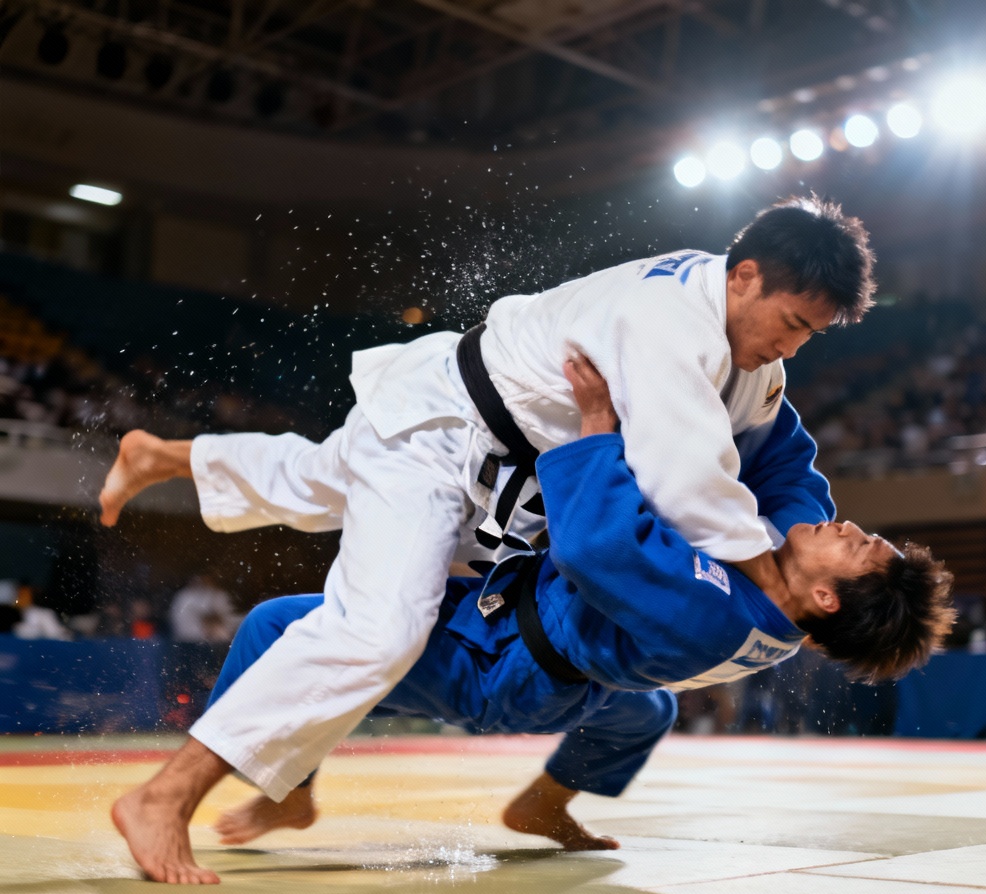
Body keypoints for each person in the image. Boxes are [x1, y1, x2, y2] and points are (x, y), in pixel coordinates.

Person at [100, 195, 875, 812]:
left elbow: (775, 459)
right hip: (444, 426)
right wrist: (768, 569)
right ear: (744, 276)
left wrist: (776, 550)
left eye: (813, 334)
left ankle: (166, 454)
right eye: (794, 322)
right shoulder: (670, 322)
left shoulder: (746, 353)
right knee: (381, 629)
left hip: (500, 460)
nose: (795, 346)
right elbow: (686, 485)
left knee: (319, 483)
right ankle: (165, 799)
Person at [111, 357, 954, 884]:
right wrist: (756, 371)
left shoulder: (717, 611)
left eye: (862, 547)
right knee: (645, 706)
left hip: (508, 669)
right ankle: (543, 808)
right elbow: (791, 469)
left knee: (277, 629)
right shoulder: (777, 574)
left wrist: (595, 428)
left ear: (827, 598)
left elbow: (592, 547)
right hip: (558, 647)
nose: (849, 525)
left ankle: (279, 794)